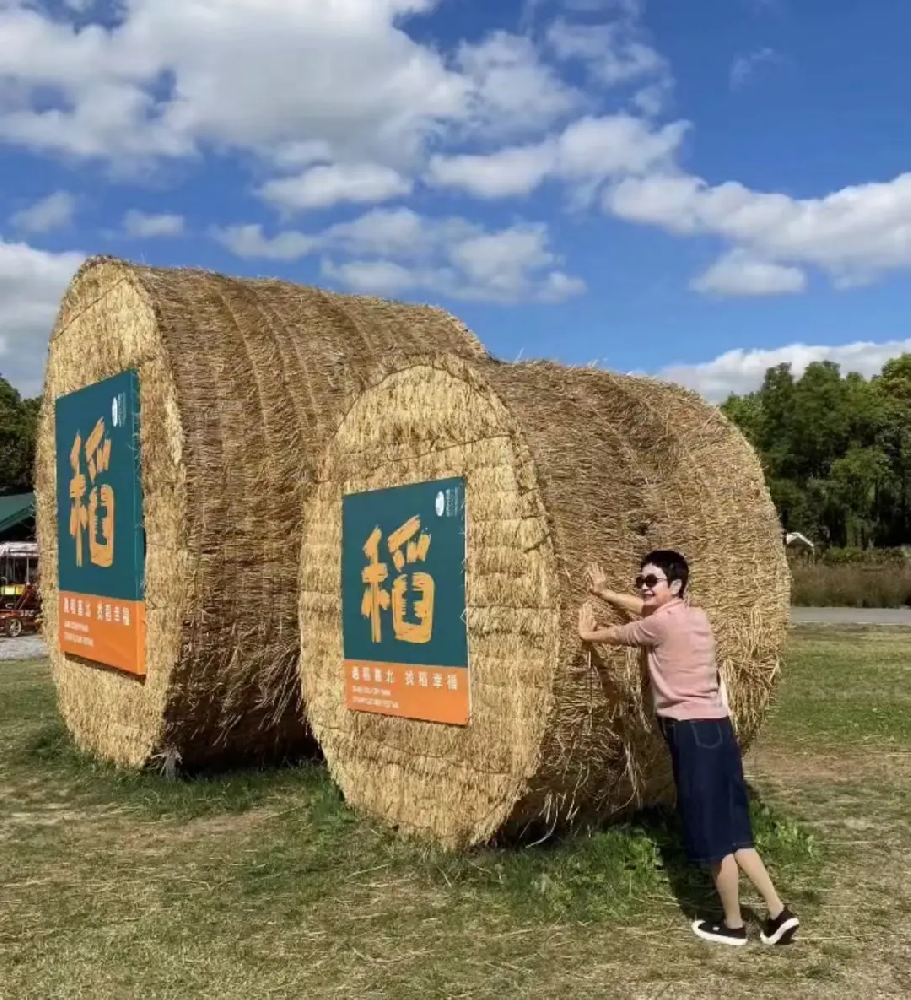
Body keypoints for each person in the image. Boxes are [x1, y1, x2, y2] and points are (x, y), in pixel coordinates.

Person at [578, 549, 799, 948]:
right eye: (640, 581)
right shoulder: (695, 615)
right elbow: (649, 611)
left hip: (692, 735)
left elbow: (620, 634)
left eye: (652, 581)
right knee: (736, 832)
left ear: (675, 585)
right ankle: (779, 913)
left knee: (713, 836)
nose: (644, 588)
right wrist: (608, 594)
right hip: (720, 730)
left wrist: (586, 633)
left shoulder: (658, 627)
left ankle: (732, 926)